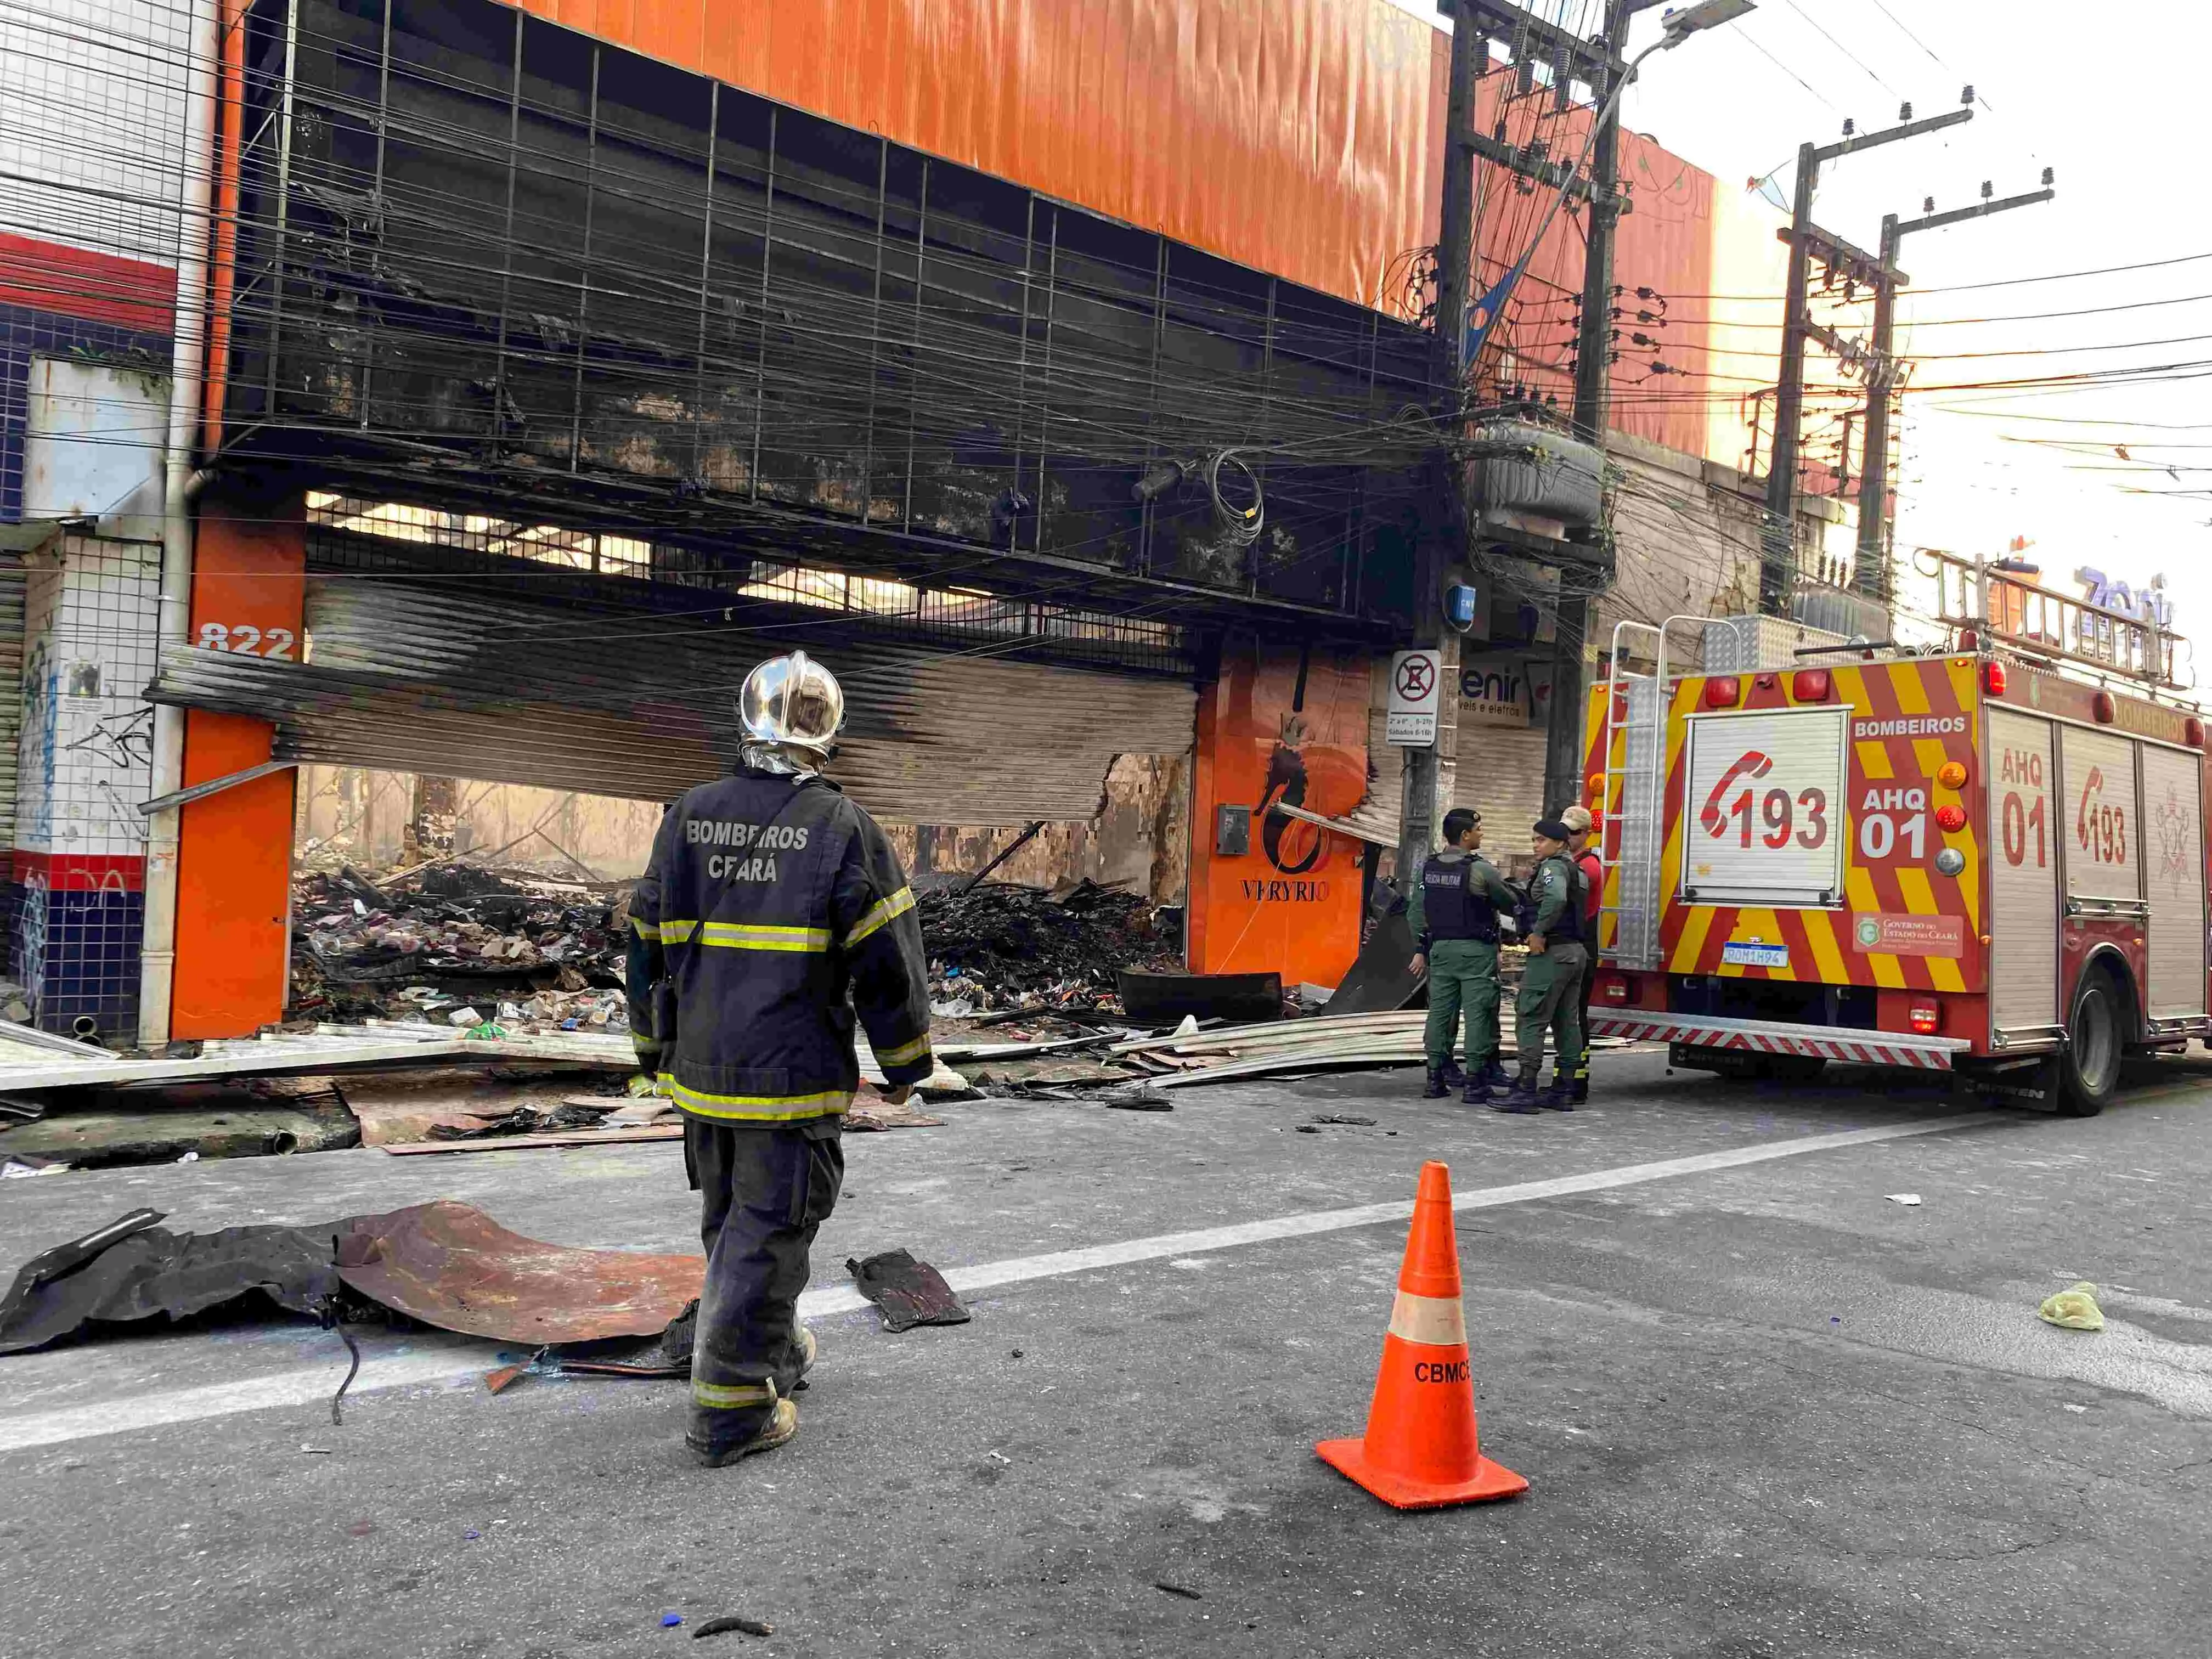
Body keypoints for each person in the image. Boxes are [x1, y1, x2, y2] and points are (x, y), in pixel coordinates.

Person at [628, 650, 934, 1466]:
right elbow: (887, 959)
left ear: (745, 721)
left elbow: (644, 944)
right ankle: (730, 1415)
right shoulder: (842, 829)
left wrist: (652, 1049)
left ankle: (779, 1355)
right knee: (768, 1233)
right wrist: (906, 1064)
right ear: (828, 737)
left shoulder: (687, 815)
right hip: (789, 1081)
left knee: (734, 1225)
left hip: (701, 1075)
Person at [1406, 807, 1517, 1104]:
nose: (1482, 834)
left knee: (1440, 1015)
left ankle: (1434, 1080)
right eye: (1479, 830)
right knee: (1479, 1014)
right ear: (1466, 835)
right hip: (1475, 952)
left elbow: (1416, 912)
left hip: (1440, 952)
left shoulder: (1429, 869)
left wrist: (1423, 947)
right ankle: (1475, 1083)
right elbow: (1509, 903)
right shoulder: (1480, 869)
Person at [1496, 816, 1589, 1114]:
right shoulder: (1577, 869)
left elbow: (1556, 898)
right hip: (1575, 952)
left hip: (1553, 952)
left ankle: (1526, 1089)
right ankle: (1564, 1090)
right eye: (1534, 839)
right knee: (1566, 1021)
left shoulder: (1553, 868)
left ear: (1560, 843)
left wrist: (1539, 932)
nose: (1535, 845)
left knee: (1531, 1017)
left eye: (1541, 840)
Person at [1560, 804, 1603, 1105]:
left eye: (1574, 833)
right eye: (1565, 831)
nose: (1568, 837)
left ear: (1586, 834)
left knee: (1575, 1015)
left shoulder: (1587, 866)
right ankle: (1567, 1078)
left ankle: (1576, 1081)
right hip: (1575, 943)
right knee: (1568, 1015)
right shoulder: (1569, 861)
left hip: (1582, 945)